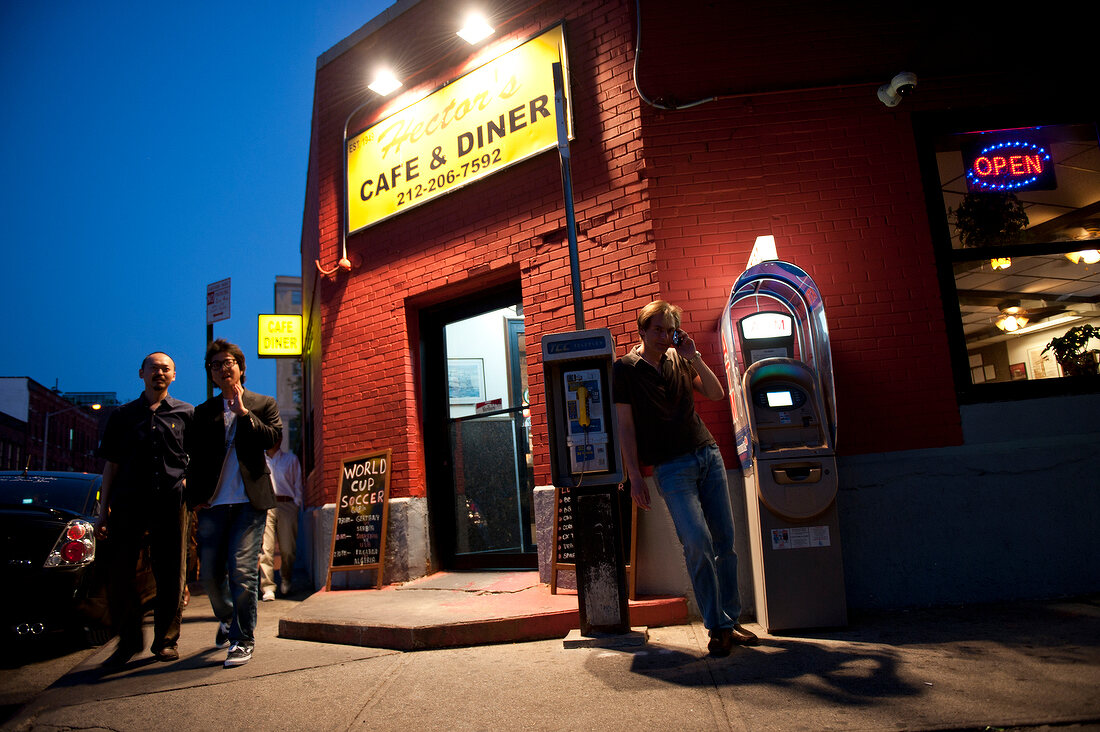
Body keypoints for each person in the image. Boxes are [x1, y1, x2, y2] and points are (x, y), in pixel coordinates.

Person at [612, 300, 758, 657]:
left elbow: (715, 392)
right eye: (657, 329)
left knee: (725, 542)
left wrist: (693, 355)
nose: (664, 336)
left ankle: (728, 622)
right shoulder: (625, 370)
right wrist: (634, 475)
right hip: (670, 467)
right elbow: (625, 428)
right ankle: (717, 625)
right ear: (642, 330)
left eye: (669, 330)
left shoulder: (679, 359)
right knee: (697, 542)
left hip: (707, 454)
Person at [185, 339, 282, 668]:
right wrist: (194, 499)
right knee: (210, 576)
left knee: (242, 572)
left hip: (248, 503)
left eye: (228, 362)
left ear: (240, 367)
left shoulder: (262, 403)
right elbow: (194, 459)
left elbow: (272, 440)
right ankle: (227, 617)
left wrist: (243, 414)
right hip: (213, 505)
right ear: (211, 374)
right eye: (215, 365)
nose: (223, 368)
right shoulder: (203, 412)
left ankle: (242, 639)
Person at [94, 352, 193, 667]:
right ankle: (128, 641)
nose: (159, 373)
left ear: (173, 376)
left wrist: (189, 487)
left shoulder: (186, 413)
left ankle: (166, 641)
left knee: (169, 574)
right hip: (128, 503)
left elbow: (198, 459)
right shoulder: (122, 415)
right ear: (141, 373)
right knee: (121, 572)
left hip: (171, 502)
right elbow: (111, 465)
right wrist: (102, 509)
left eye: (166, 369)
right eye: (154, 368)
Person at [258, 443, 303, 601]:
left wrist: (297, 503)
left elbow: (298, 482)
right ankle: (267, 587)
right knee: (266, 548)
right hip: (266, 506)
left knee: (288, 549)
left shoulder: (291, 459)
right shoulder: (259, 459)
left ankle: (286, 578)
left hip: (287, 505)